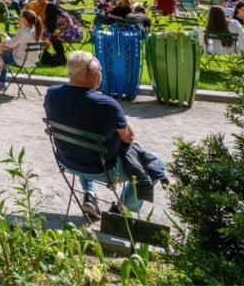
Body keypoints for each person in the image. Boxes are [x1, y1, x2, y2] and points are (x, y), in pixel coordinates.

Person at [44, 51, 166, 218]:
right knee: (156, 163)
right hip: (104, 169)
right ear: (91, 72)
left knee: (83, 144)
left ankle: (90, 195)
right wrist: (119, 113)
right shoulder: (106, 104)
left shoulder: (52, 94)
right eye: (99, 70)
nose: (101, 74)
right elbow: (128, 138)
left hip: (68, 160)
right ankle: (122, 212)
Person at [0, 8, 43, 90]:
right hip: (31, 61)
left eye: (20, 16)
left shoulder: (23, 31)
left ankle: (1, 81)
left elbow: (10, 44)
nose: (19, 18)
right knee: (2, 49)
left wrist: (5, 39)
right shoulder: (36, 31)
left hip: (20, 60)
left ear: (24, 19)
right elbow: (15, 44)